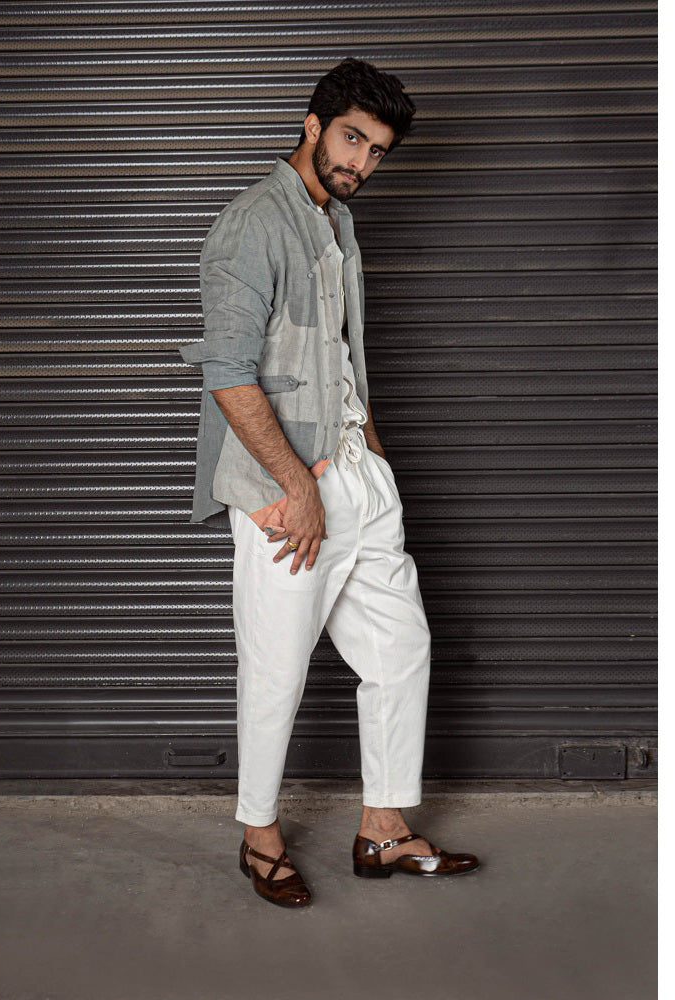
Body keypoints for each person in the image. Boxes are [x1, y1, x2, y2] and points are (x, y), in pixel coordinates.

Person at [180, 58, 479, 908]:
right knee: (276, 670)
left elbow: (343, 357)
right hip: (283, 491)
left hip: (357, 475)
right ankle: (259, 837)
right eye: (352, 139)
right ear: (312, 125)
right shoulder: (251, 223)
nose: (361, 162)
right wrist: (297, 487)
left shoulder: (337, 221)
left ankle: (383, 829)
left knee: (400, 649)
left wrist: (374, 461)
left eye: (377, 151)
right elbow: (229, 374)